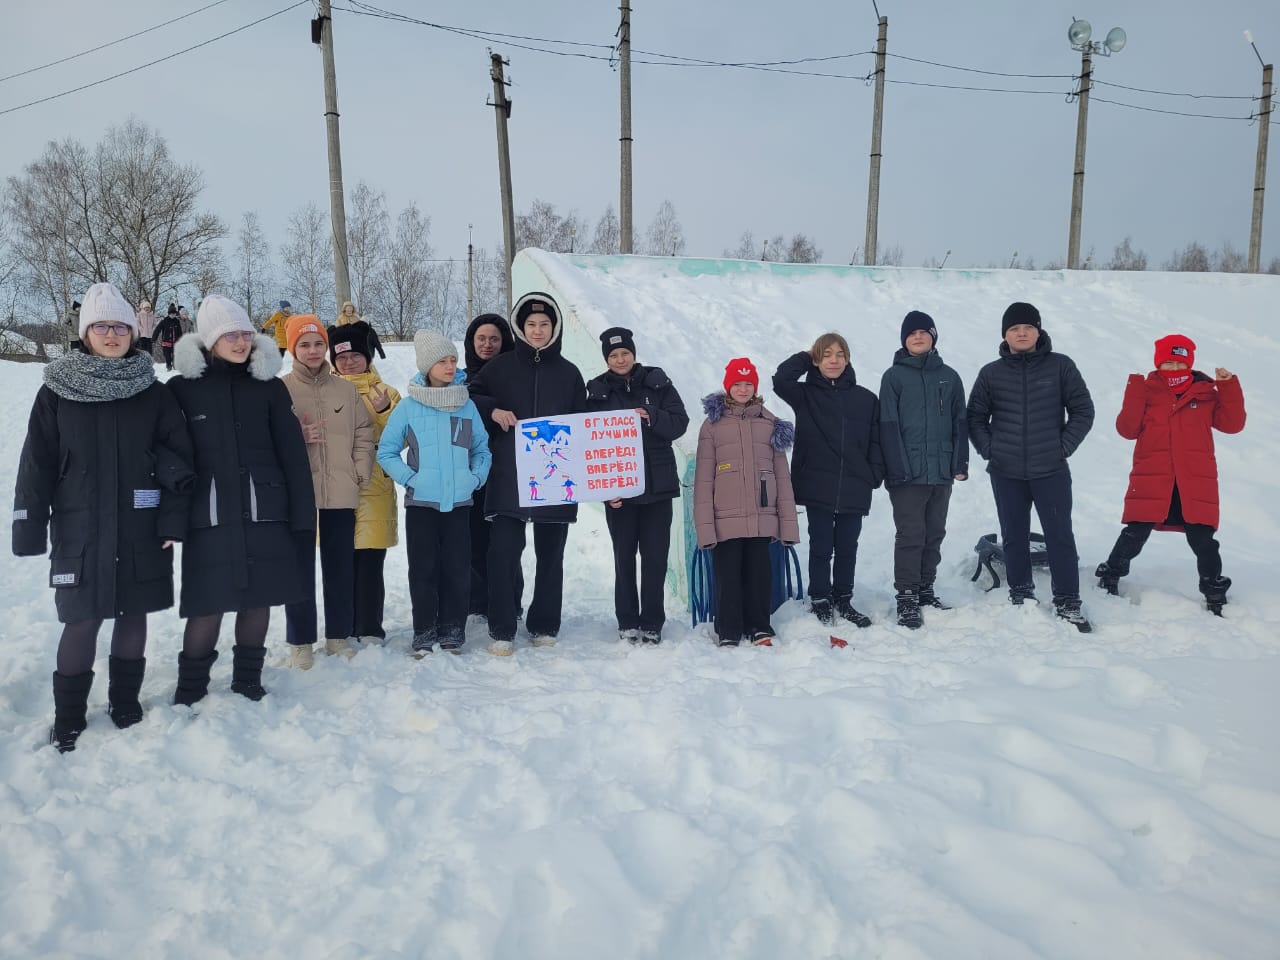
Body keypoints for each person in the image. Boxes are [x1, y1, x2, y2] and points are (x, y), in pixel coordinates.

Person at [14, 282, 194, 751]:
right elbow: (37, 462)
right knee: (82, 618)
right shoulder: (57, 392)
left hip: (142, 523)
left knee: (133, 613)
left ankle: (125, 702)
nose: (112, 334)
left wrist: (172, 520)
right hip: (80, 524)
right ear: (85, 333)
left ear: (134, 333)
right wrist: (29, 527)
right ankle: (69, 715)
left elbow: (179, 456)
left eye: (120, 326)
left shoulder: (152, 393)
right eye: (101, 326)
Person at [167, 295, 315, 704]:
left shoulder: (267, 388)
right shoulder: (181, 389)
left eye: (245, 333)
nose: (240, 342)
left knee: (259, 599)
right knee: (206, 604)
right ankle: (190, 686)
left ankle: (248, 678)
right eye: (229, 335)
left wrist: (303, 516)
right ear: (210, 339)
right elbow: (165, 451)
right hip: (209, 513)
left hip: (264, 511)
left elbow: (292, 454)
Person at [468, 292, 586, 656]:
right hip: (509, 475)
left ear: (555, 328)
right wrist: (493, 411)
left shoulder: (569, 373)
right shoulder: (499, 368)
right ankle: (502, 628)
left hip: (555, 476)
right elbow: (471, 395)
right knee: (503, 552)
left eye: (544, 324)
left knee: (551, 555)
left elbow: (582, 423)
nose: (537, 330)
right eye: (531, 324)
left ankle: (545, 623)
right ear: (521, 326)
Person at [1094, 334, 1245, 614]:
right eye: (1168, 363)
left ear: (1189, 363)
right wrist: (1135, 389)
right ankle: (1110, 574)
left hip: (1193, 480)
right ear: (1158, 364)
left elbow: (1233, 424)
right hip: (1153, 476)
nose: (1174, 369)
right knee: (1135, 532)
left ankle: (1214, 589)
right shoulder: (1148, 390)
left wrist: (1227, 386)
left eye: (1180, 363)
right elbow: (1126, 429)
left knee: (1203, 539)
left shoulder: (1205, 393)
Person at [967, 301, 1095, 630]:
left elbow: (1083, 410)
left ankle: (1068, 600)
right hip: (1006, 470)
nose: (1021, 333)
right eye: (1014, 328)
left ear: (1038, 330)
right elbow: (975, 417)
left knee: (1059, 535)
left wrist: (1063, 446)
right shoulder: (991, 373)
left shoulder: (1060, 367)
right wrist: (990, 450)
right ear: (1005, 335)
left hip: (1050, 469)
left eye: (1027, 327)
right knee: (1014, 534)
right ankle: (1021, 592)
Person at [378, 330, 492, 654]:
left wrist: (475, 479)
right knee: (424, 569)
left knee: (457, 568)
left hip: (459, 503)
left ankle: (453, 629)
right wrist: (410, 479)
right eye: (442, 361)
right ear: (427, 366)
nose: (450, 366)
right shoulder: (410, 407)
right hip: (422, 505)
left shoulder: (466, 406)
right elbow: (386, 451)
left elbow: (482, 450)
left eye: (453, 360)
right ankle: (424, 631)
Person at [586, 326, 689, 644]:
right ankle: (627, 620)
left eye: (625, 353)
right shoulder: (597, 390)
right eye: (614, 355)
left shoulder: (657, 383)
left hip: (657, 487)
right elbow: (589, 443)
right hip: (619, 493)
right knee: (624, 557)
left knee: (656, 558)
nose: (620, 359)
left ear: (634, 353)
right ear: (606, 359)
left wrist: (653, 416)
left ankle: (653, 622)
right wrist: (605, 491)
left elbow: (679, 423)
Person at [772, 333, 883, 629]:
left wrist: (874, 474)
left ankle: (844, 598)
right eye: (826, 355)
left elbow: (876, 441)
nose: (833, 360)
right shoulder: (804, 395)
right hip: (817, 483)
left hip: (855, 484)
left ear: (848, 359)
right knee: (821, 546)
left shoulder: (866, 398)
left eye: (839, 354)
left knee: (848, 546)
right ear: (817, 361)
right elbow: (781, 379)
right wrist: (808, 355)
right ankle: (820, 597)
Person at [281, 314, 374, 667]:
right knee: (299, 568)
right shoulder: (281, 389)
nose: (313, 350)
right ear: (293, 349)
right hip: (298, 493)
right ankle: (301, 643)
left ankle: (338, 636)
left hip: (339, 490)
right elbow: (266, 438)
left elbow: (364, 432)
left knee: (340, 566)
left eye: (319, 343)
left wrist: (358, 470)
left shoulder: (346, 390)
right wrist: (296, 438)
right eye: (304, 344)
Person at [695, 357, 799, 647]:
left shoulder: (770, 424)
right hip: (724, 517)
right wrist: (705, 528)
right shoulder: (712, 426)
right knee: (727, 577)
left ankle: (759, 626)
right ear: (728, 387)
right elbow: (704, 481)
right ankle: (728, 629)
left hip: (761, 515)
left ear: (755, 387)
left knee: (758, 575)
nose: (743, 389)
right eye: (737, 384)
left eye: (748, 384)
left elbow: (782, 477)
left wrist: (788, 525)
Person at [878, 311, 968, 628]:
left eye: (923, 332)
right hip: (907, 473)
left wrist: (960, 464)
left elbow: (960, 423)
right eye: (911, 333)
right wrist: (897, 469)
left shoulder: (950, 377)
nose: (918, 337)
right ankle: (906, 595)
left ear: (933, 337)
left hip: (941, 471)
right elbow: (887, 426)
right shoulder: (893, 377)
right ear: (904, 339)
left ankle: (925, 589)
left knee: (934, 533)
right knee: (911, 535)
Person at [330, 320, 401, 643]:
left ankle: (370, 627)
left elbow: (401, 440)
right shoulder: (323, 391)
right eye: (341, 357)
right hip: (336, 487)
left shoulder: (387, 393)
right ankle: (342, 626)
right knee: (340, 562)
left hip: (374, 486)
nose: (348, 362)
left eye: (355, 356)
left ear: (368, 356)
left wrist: (384, 411)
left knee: (371, 561)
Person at [463, 313, 518, 618]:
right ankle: (477, 601)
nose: (487, 345)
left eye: (494, 339)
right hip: (471, 469)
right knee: (474, 537)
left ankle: (510, 599)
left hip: (508, 468)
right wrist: (492, 409)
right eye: (481, 339)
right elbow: (464, 402)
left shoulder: (514, 373)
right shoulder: (459, 377)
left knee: (506, 542)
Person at [155, 304, 183, 372]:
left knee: (175, 354)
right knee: (167, 355)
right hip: (166, 342)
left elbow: (180, 331)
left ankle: (175, 365)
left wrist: (181, 339)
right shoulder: (164, 321)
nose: (172, 315)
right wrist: (154, 338)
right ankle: (168, 365)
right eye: (171, 314)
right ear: (168, 314)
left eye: (174, 314)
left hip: (175, 342)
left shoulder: (177, 321)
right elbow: (157, 329)